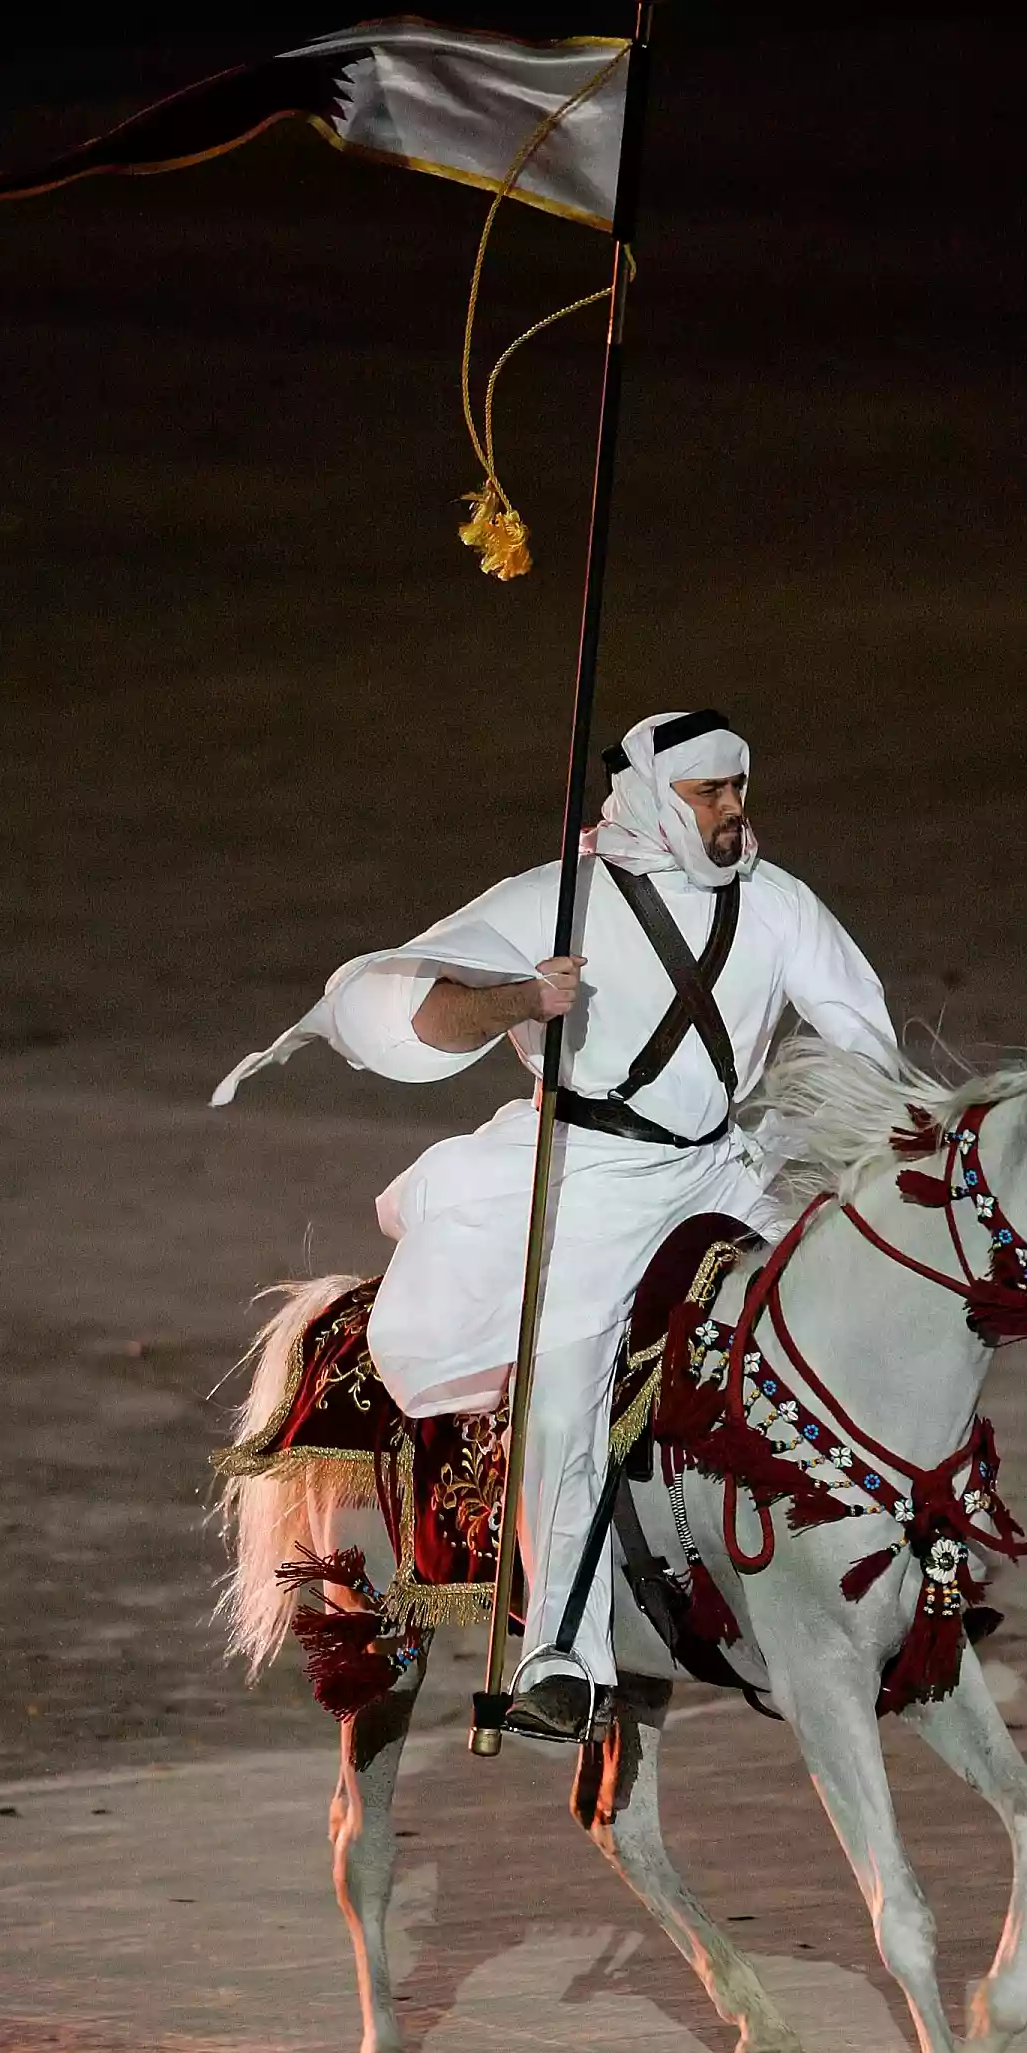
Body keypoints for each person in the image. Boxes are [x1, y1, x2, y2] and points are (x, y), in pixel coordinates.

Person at [213, 710, 896, 1737]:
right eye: (712, 793)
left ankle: (905, 1562)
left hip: (725, 1168)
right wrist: (522, 1000)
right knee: (565, 1396)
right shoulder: (554, 900)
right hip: (592, 1179)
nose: (733, 812)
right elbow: (423, 1011)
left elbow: (859, 1029)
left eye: (740, 790)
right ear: (655, 798)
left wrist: (872, 1136)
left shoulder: (778, 902)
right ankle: (561, 1655)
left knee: (857, 1308)